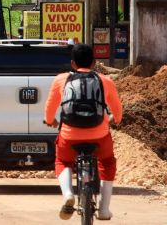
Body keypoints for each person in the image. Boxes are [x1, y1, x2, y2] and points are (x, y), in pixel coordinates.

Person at [44, 43, 123, 221]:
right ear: (95, 63)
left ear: (73, 64)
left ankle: (67, 195)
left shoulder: (60, 80)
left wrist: (51, 121)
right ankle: (104, 209)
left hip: (69, 136)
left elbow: (49, 109)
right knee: (107, 162)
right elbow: (117, 109)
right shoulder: (105, 80)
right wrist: (114, 119)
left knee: (62, 161)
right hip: (99, 135)